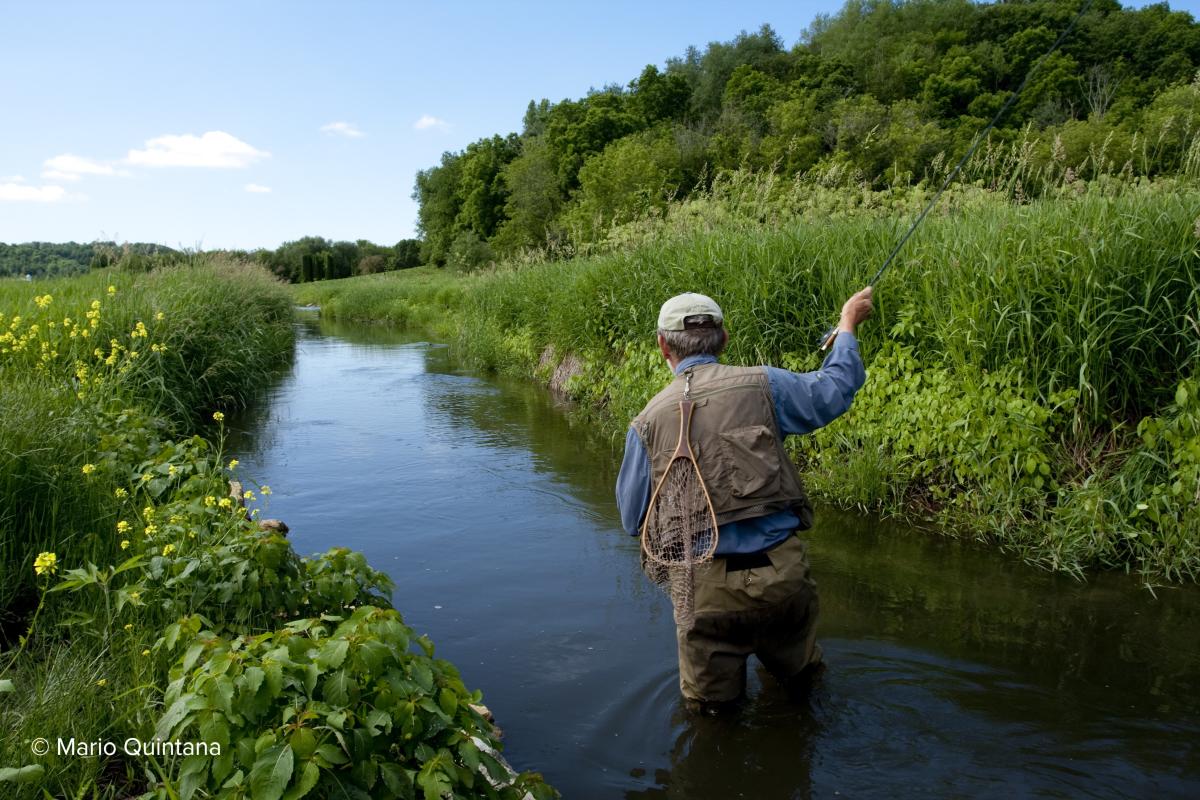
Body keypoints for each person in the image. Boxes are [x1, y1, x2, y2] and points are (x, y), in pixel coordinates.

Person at [616, 287, 872, 710]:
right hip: (783, 579)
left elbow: (631, 521)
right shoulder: (765, 385)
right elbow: (837, 387)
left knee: (712, 719)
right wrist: (846, 325)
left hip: (703, 592)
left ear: (662, 344)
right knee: (803, 693)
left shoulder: (646, 423)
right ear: (724, 338)